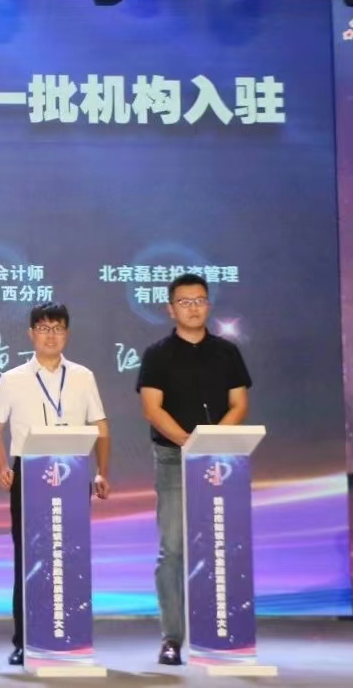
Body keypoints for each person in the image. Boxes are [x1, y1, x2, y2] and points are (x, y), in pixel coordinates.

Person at [0, 302, 111, 666]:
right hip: (29, 473)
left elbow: (101, 427)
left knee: (71, 556)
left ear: (67, 333)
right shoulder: (12, 378)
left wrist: (102, 471)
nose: (50, 335)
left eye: (57, 328)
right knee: (29, 559)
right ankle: (25, 640)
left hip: (73, 473)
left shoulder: (83, 376)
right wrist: (2, 466)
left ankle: (71, 634)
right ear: (31, 334)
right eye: (43, 328)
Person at [137, 273, 250, 666]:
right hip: (173, 457)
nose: (193, 308)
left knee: (223, 545)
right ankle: (172, 638)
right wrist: (190, 443)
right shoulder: (157, 354)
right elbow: (151, 408)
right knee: (172, 549)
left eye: (199, 300)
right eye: (184, 302)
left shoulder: (227, 352)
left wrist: (211, 442)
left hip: (221, 461)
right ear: (171, 309)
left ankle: (223, 632)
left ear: (209, 305)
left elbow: (239, 404)